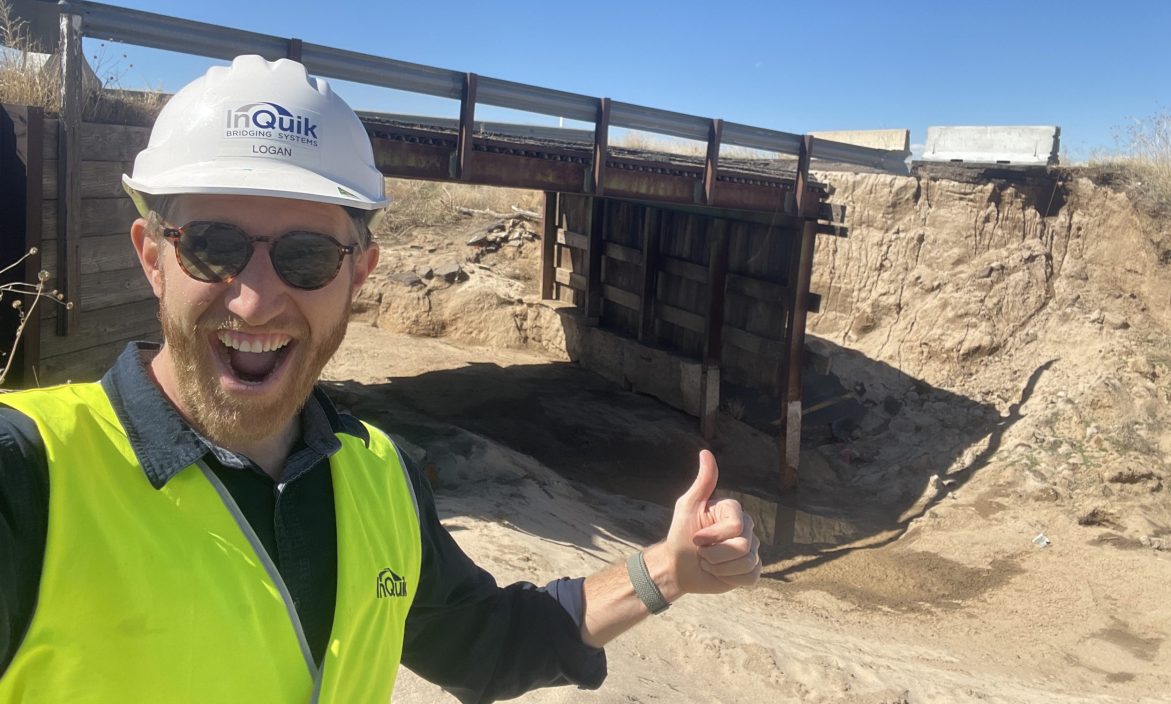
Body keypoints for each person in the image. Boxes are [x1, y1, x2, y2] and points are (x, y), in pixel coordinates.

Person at [0, 55, 761, 703]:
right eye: (212, 246)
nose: (257, 297)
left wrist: (665, 570)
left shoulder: (380, 479)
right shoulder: (31, 475)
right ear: (151, 257)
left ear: (359, 275)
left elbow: (484, 641)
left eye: (305, 256)